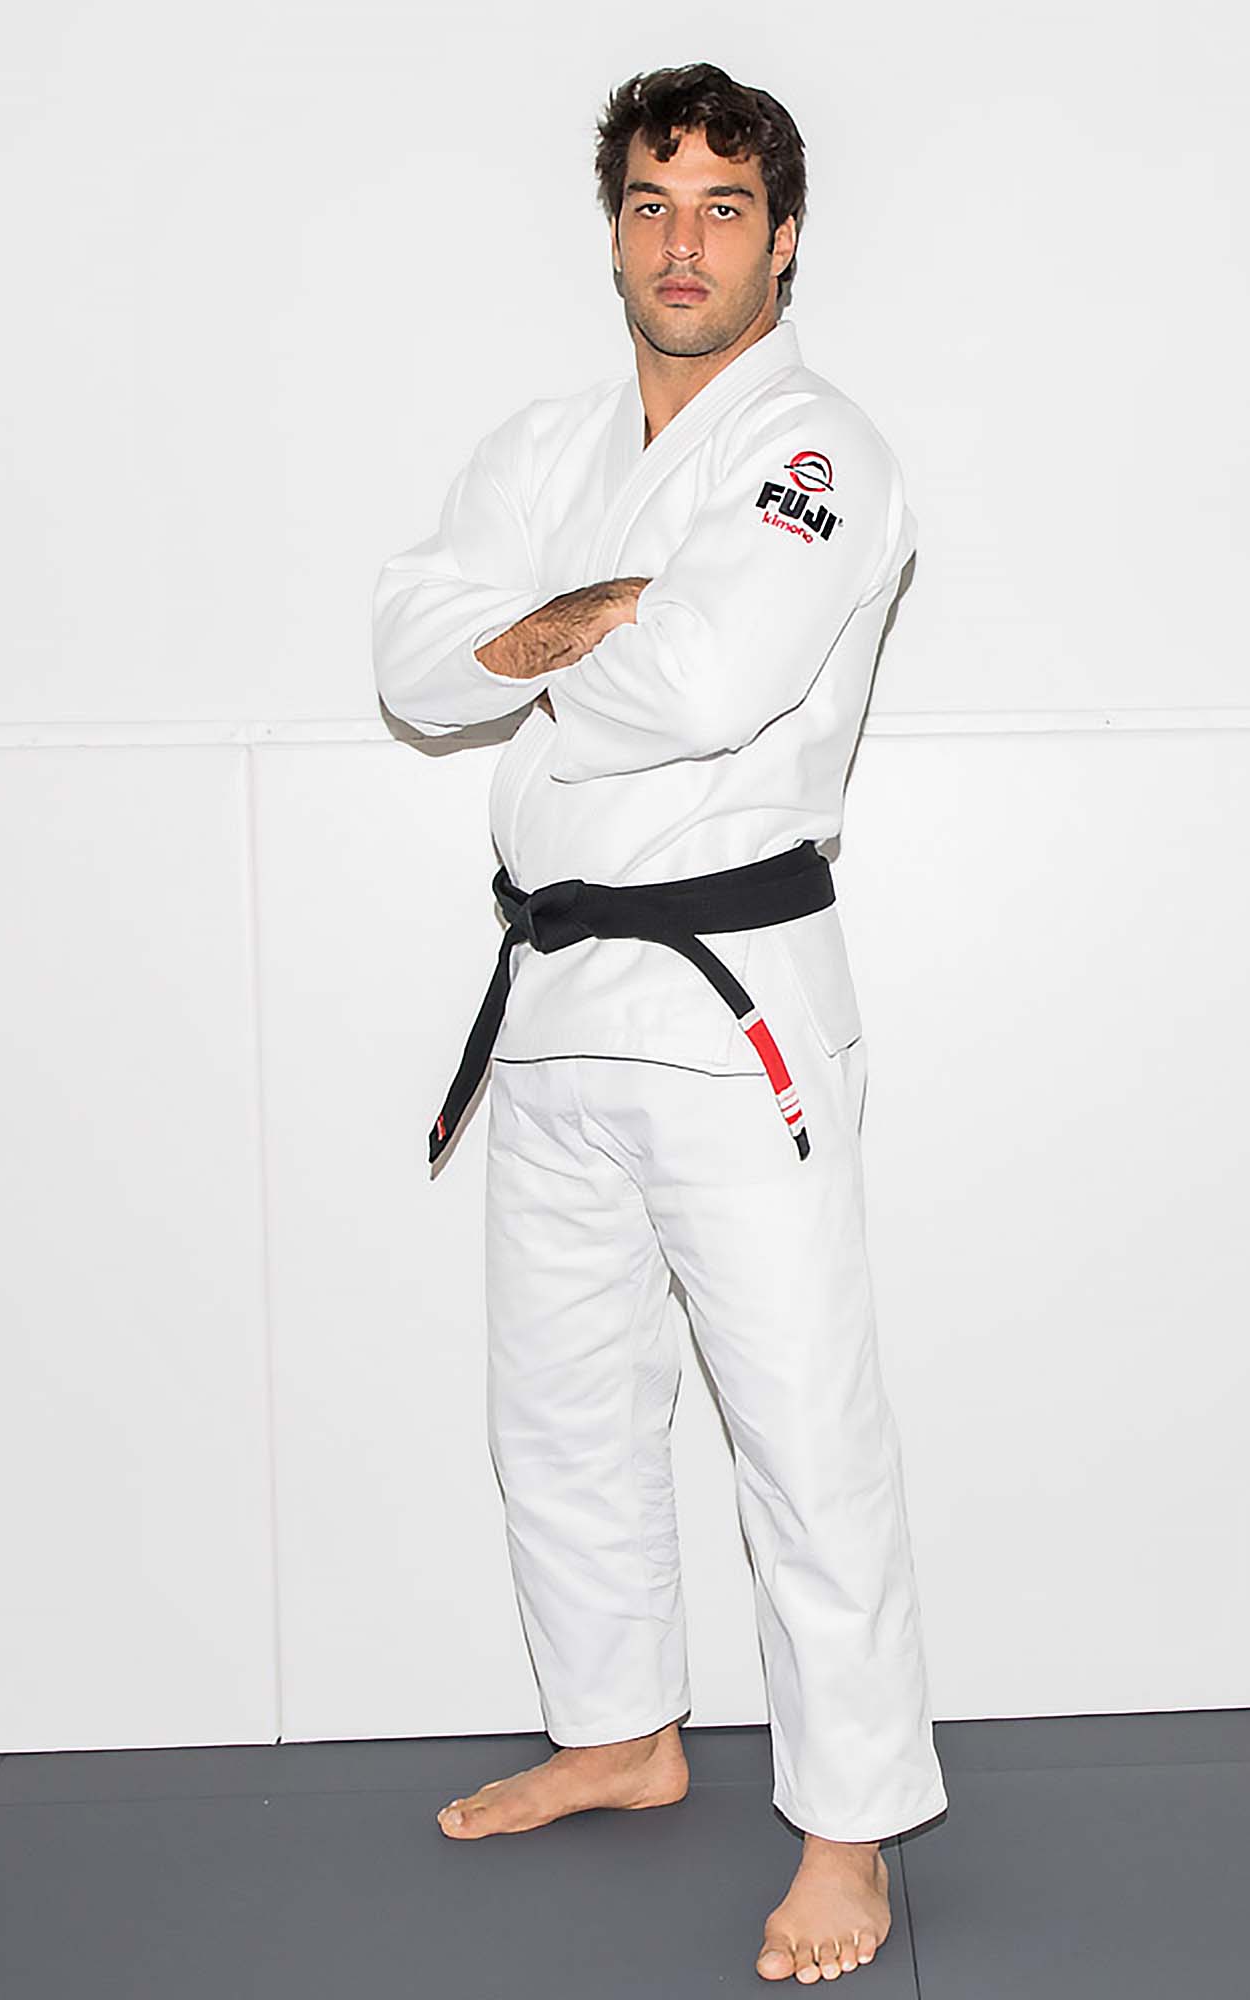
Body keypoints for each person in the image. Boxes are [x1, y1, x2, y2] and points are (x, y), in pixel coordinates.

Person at [371, 60, 947, 1985]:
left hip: (732, 1007)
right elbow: (411, 657)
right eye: (648, 202)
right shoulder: (546, 443)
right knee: (561, 1402)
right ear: (613, 225)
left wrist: (526, 641)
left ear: (784, 239)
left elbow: (703, 674)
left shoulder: (826, 453)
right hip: (551, 996)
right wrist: (550, 629)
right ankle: (621, 1729)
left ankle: (852, 1824)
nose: (681, 240)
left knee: (796, 1422)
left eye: (720, 207)